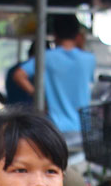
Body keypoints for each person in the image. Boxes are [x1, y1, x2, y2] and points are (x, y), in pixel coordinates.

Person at [11, 15, 97, 144]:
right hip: (81, 128)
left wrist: (39, 96)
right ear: (77, 34)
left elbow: (18, 75)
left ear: (55, 34)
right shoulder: (89, 59)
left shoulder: (47, 57)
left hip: (54, 128)